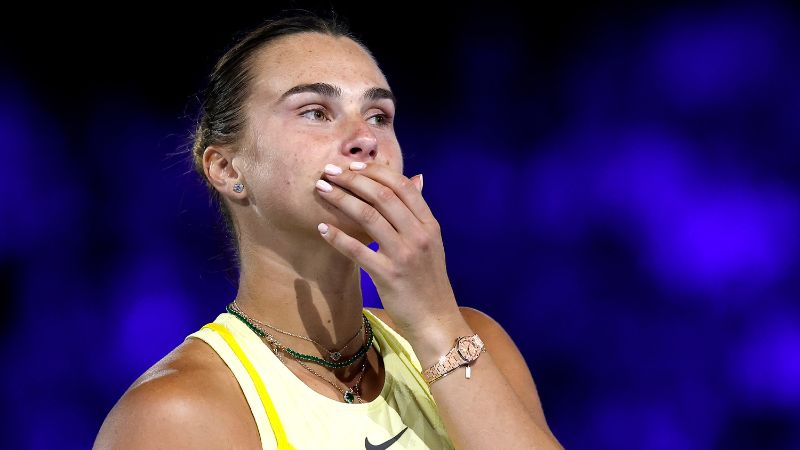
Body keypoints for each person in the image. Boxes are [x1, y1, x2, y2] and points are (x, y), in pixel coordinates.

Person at [94, 12, 562, 450]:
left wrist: (435, 323)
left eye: (379, 116)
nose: (366, 138)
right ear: (226, 167)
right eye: (316, 111)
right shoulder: (177, 414)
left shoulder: (477, 343)